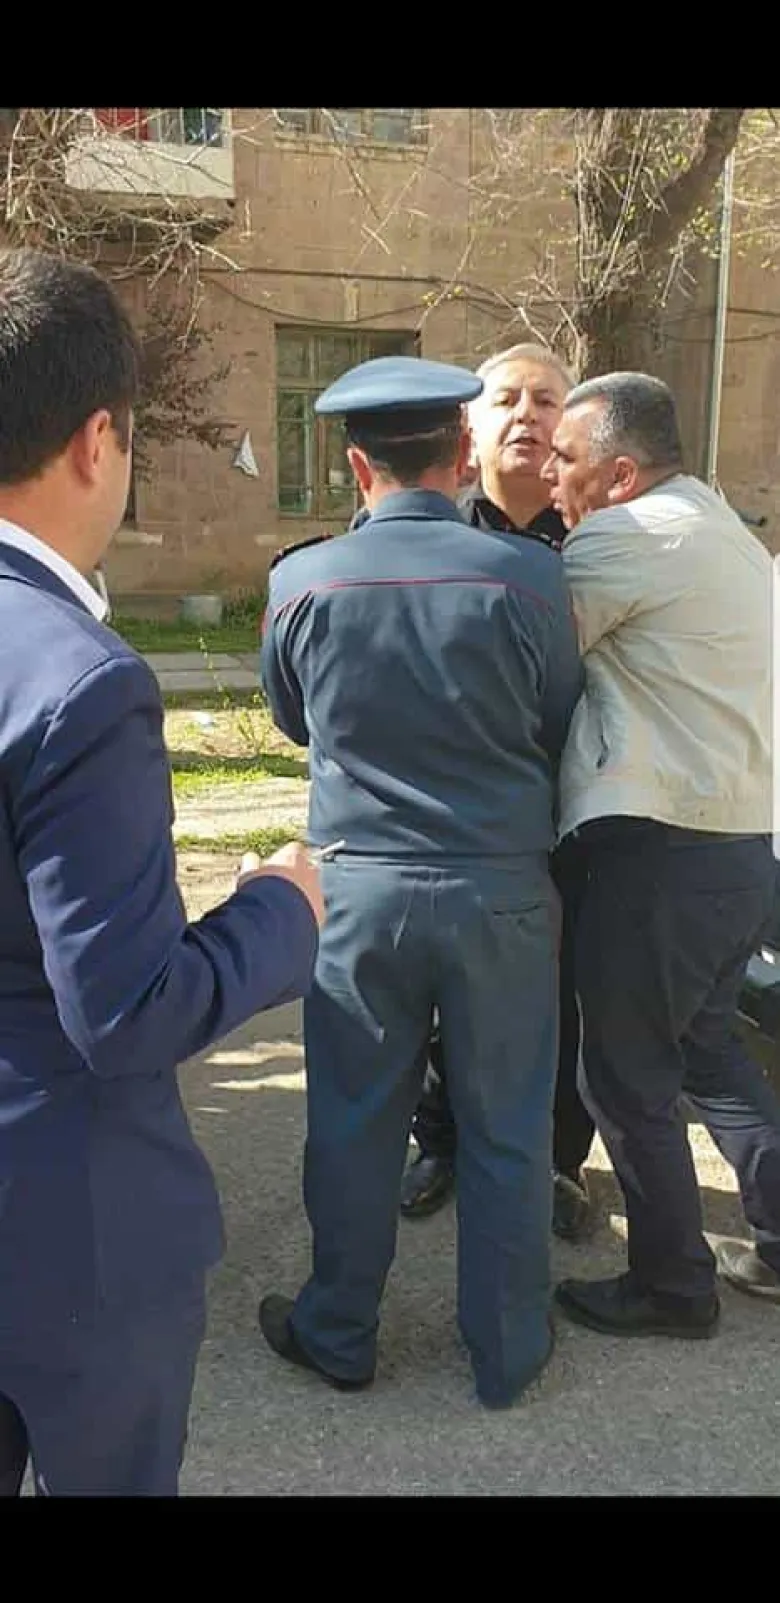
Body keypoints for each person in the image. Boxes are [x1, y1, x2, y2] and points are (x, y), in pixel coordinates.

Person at [0, 247, 323, 1498]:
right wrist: (279, 908)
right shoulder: (77, 680)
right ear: (99, 441)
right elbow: (127, 1007)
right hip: (64, 1231)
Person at [258, 354, 583, 1409]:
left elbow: (294, 717)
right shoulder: (530, 577)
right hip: (500, 891)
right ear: (459, 456)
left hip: (361, 890)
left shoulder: (301, 581)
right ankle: (508, 1346)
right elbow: (555, 716)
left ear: (358, 468)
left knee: (355, 1120)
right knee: (507, 1123)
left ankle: (338, 1329)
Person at [540, 370, 780, 1336]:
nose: (551, 475)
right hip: (739, 848)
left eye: (566, 458)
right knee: (709, 1049)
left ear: (620, 474)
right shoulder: (726, 530)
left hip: (658, 851)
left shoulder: (621, 537)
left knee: (624, 1074)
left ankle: (674, 1285)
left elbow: (535, 664)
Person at [398, 343, 595, 1240]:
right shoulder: (432, 530)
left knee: (564, 992)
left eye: (546, 400)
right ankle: (440, 1139)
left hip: (572, 805)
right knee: (446, 987)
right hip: (459, 813)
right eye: (507, 399)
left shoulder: (597, 536)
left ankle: (558, 1159)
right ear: (468, 429)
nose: (527, 414)